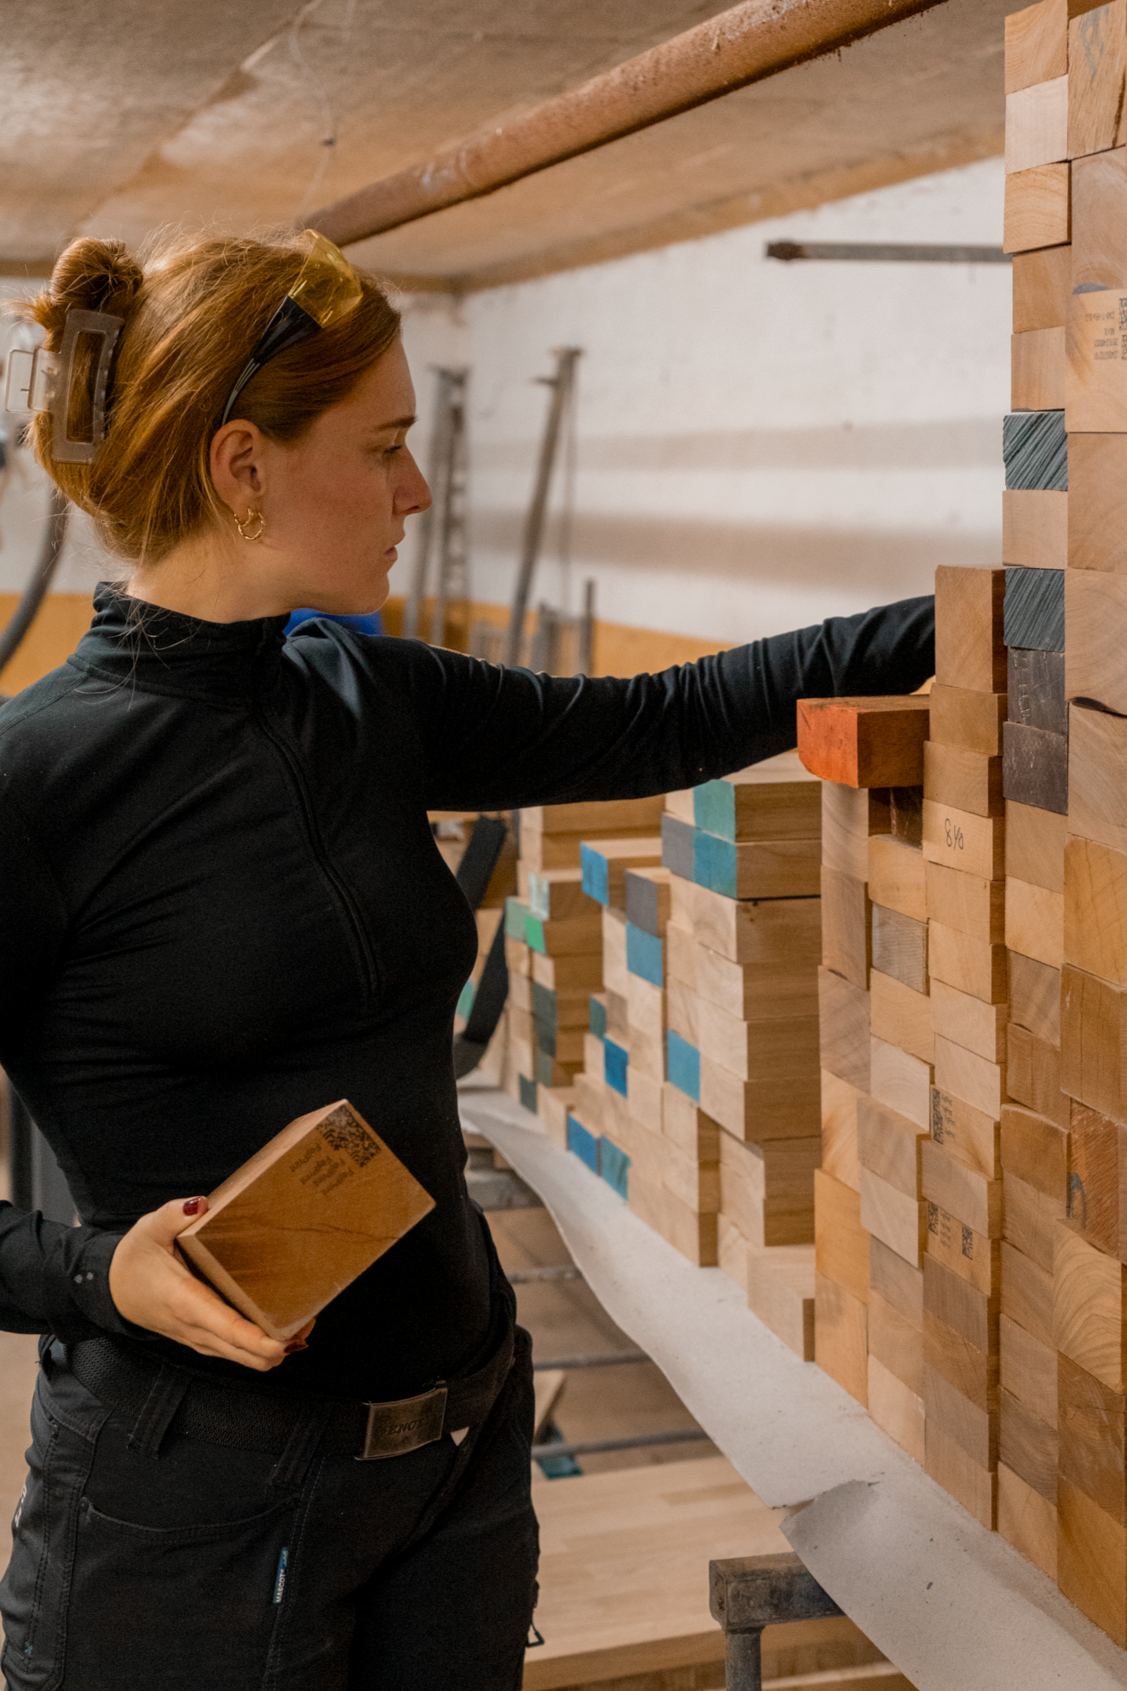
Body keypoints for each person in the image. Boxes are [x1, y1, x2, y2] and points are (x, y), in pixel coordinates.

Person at [0, 229, 935, 1691]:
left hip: (453, 1461)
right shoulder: (38, 783)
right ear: (242, 466)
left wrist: (1008, 614)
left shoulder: (361, 690)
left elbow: (661, 718)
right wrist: (93, 1268)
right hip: (196, 1514)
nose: (414, 491)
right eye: (381, 448)